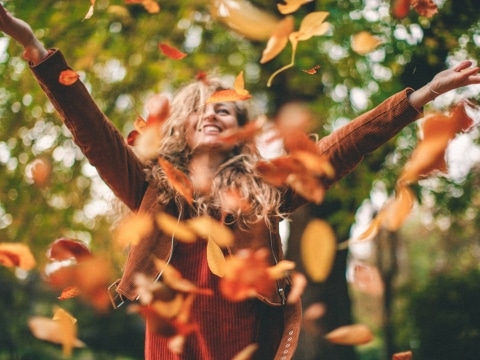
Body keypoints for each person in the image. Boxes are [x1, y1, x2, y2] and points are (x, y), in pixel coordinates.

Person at [1, 4, 480, 360]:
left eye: (227, 110)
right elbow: (93, 132)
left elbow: (339, 148)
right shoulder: (150, 187)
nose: (214, 113)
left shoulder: (264, 191)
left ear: (239, 133)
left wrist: (422, 95)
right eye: (204, 109)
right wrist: (36, 48)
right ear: (185, 125)